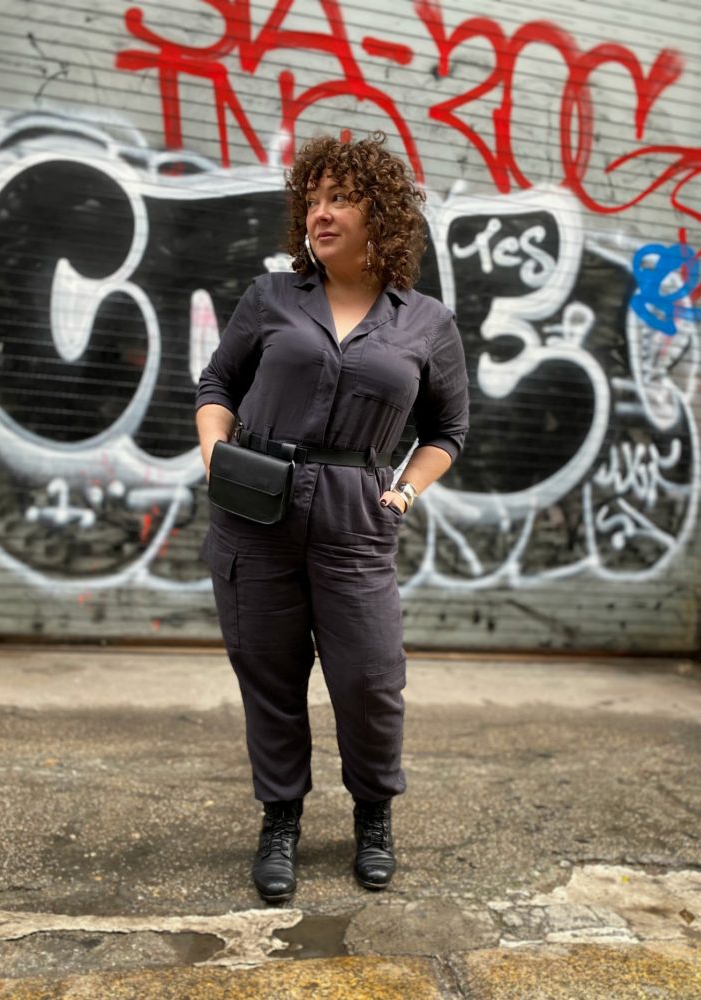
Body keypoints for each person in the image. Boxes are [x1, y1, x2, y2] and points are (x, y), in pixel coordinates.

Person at [195, 132, 468, 903]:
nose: (320, 212)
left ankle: (373, 814)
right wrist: (215, 450)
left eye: (339, 197)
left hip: (356, 517)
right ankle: (279, 818)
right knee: (270, 675)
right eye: (311, 199)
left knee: (371, 680)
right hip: (256, 506)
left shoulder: (426, 324)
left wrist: (407, 491)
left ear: (379, 212)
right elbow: (218, 380)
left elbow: (448, 431)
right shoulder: (272, 298)